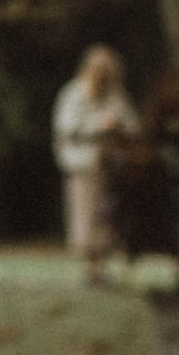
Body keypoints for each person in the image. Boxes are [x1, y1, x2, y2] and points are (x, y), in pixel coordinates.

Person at [52, 43, 139, 276]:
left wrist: (117, 125)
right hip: (84, 164)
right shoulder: (74, 93)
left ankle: (101, 264)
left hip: (112, 167)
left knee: (108, 219)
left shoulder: (116, 96)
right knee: (85, 215)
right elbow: (66, 128)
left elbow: (133, 127)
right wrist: (99, 127)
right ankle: (90, 265)